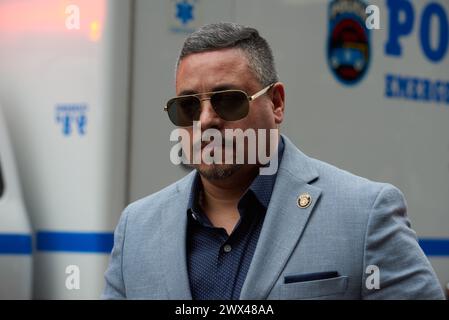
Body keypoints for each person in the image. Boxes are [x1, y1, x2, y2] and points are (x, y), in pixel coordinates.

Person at [102, 22, 444, 299]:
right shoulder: (137, 228)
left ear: (276, 103)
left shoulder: (365, 214)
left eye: (228, 100)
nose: (205, 121)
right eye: (188, 106)